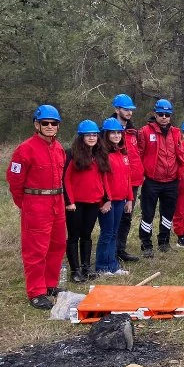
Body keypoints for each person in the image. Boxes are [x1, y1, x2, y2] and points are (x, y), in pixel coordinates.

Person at [6, 105, 66, 309]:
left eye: (54, 123)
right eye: (45, 123)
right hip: (36, 204)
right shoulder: (25, 149)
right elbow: (15, 180)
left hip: (57, 202)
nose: (50, 126)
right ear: (36, 124)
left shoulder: (58, 148)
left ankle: (50, 284)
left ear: (58, 126)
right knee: (36, 250)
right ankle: (36, 292)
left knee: (57, 245)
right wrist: (25, 204)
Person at [63, 120, 109, 283]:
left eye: (94, 135)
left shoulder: (99, 154)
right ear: (81, 136)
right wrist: (69, 201)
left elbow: (103, 178)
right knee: (74, 236)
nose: (92, 137)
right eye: (88, 135)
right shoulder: (71, 154)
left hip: (93, 202)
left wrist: (106, 199)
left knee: (87, 235)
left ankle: (86, 267)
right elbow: (65, 179)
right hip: (75, 204)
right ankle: (75, 271)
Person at [137, 98, 184, 257]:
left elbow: (179, 154)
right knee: (148, 214)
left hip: (171, 181)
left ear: (170, 116)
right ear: (155, 114)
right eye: (161, 114)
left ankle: (164, 241)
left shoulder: (176, 132)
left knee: (168, 214)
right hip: (152, 181)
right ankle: (146, 244)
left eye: (167, 114)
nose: (164, 117)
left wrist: (180, 173)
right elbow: (139, 154)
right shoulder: (145, 132)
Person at [96, 118, 134, 276]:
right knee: (107, 232)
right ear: (106, 134)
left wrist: (130, 198)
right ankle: (101, 265)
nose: (117, 135)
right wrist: (105, 200)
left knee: (114, 232)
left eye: (119, 132)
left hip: (121, 200)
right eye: (113, 133)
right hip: (107, 201)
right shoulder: (102, 154)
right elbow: (100, 180)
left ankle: (113, 265)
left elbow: (128, 177)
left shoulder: (122, 153)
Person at [110, 94, 143, 263]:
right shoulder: (108, 130)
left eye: (131, 110)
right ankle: (110, 252)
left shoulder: (133, 132)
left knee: (127, 216)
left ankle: (120, 250)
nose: (129, 113)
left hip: (134, 180)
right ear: (117, 109)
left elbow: (138, 154)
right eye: (125, 109)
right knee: (113, 218)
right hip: (115, 181)